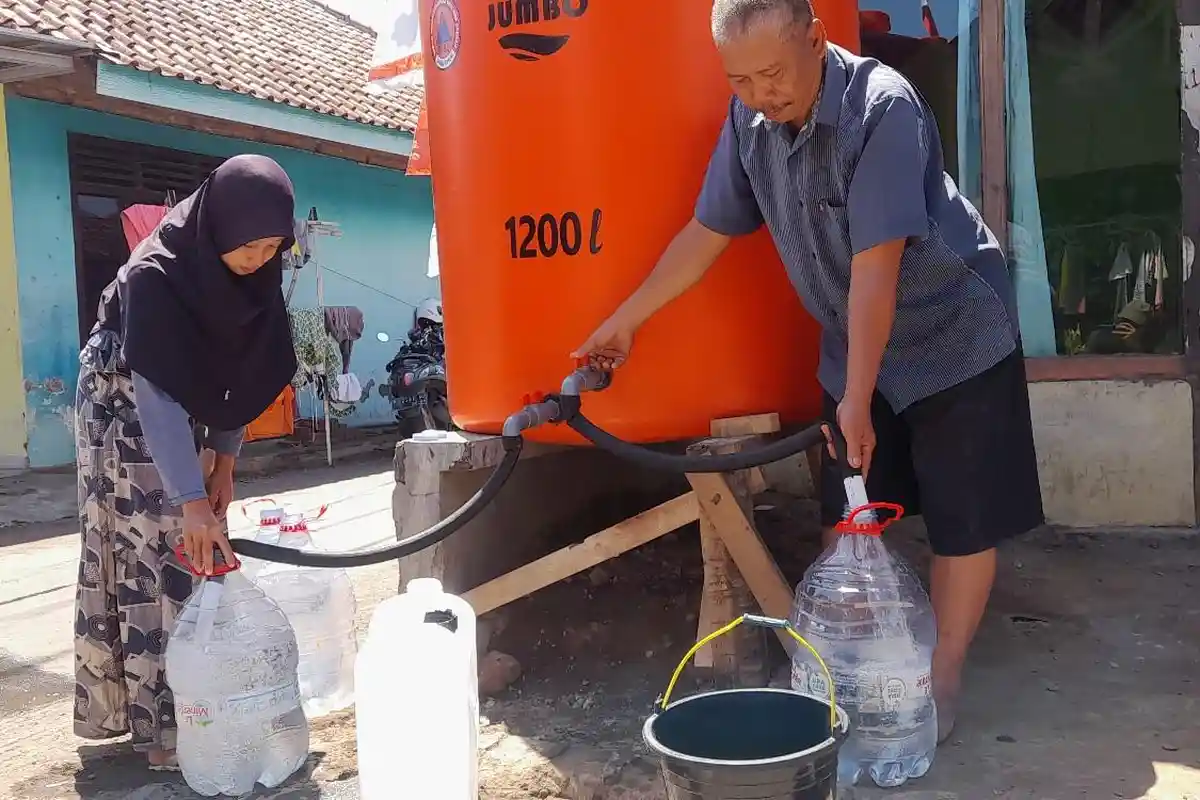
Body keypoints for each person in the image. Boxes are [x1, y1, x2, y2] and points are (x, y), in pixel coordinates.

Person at [571, 0, 1044, 741]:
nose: (761, 94)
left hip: (954, 331)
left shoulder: (881, 108)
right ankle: (837, 674)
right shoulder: (748, 127)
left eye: (772, 74)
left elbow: (876, 270)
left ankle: (940, 677)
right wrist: (628, 319)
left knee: (962, 519)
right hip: (853, 339)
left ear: (817, 41)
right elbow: (707, 231)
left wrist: (855, 399)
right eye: (740, 80)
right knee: (847, 516)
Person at [72, 154, 299, 769]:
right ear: (219, 231)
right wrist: (192, 500)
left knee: (194, 541)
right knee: (155, 547)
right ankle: (160, 727)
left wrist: (223, 460)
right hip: (121, 400)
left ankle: (202, 702)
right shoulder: (156, 276)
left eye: (273, 247)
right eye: (249, 247)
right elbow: (159, 395)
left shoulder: (252, 275)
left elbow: (241, 369)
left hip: (180, 394)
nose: (259, 259)